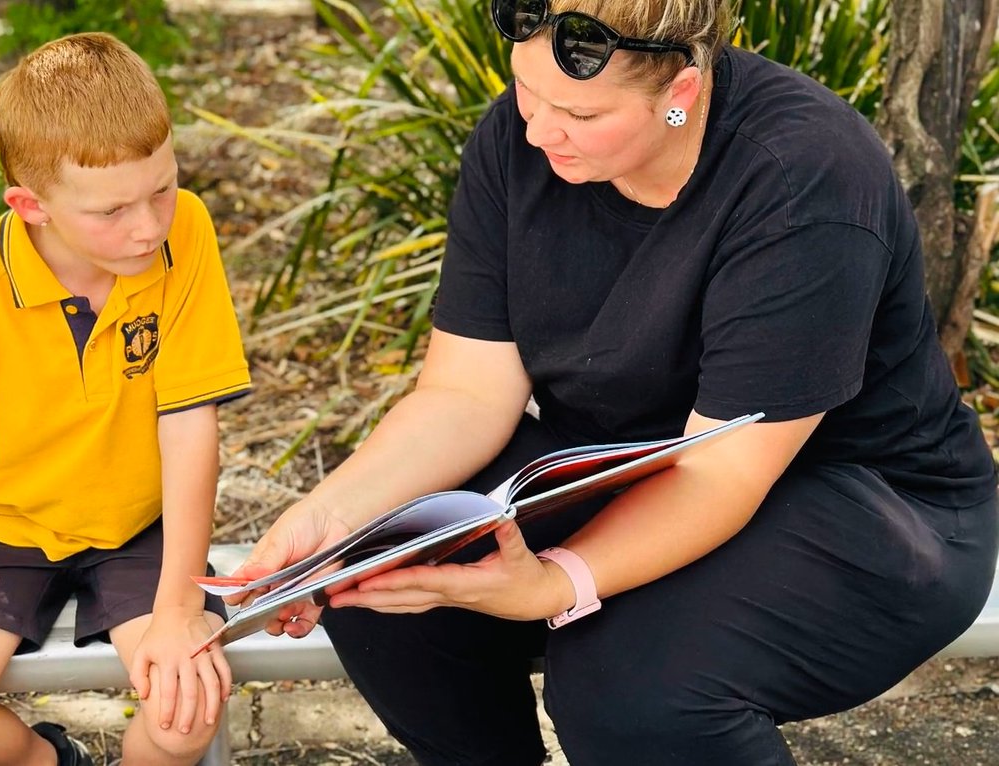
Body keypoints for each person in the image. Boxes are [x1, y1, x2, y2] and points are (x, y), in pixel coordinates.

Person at [230, 1, 999, 764]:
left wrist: (553, 582)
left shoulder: (804, 176)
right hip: (618, 461)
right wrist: (330, 521)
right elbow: (465, 395)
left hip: (857, 501)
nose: (536, 129)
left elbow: (719, 471)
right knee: (382, 588)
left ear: (681, 96)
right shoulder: (519, 140)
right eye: (526, 93)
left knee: (628, 691)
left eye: (579, 112)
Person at [0, 32, 251, 766]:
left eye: (162, 187)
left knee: (184, 713)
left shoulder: (185, 232)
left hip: (143, 530)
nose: (149, 225)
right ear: (29, 205)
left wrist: (175, 612)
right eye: (112, 211)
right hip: (3, 528)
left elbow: (191, 422)